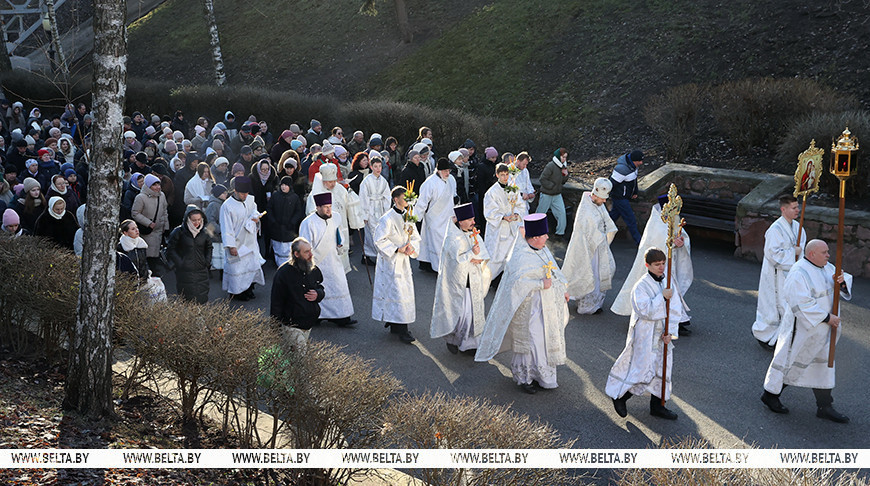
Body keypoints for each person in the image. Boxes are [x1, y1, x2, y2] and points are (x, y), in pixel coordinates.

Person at [475, 214, 569, 394]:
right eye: (544, 235)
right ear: (534, 237)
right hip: (527, 309)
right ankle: (524, 378)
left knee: (542, 340)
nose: (547, 237)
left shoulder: (543, 250)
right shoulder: (519, 255)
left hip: (546, 308)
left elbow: (555, 271)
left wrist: (563, 288)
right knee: (529, 342)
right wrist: (540, 284)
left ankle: (544, 377)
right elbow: (516, 284)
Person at [761, 239, 852, 424]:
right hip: (803, 329)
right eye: (824, 252)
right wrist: (827, 318)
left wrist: (841, 283)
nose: (828, 255)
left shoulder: (826, 267)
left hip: (824, 331)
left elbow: (840, 281)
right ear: (812, 254)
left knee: (823, 366)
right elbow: (800, 302)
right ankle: (770, 394)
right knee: (793, 362)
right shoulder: (798, 272)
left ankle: (825, 406)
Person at [605, 248, 686, 420]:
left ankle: (658, 406)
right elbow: (644, 311)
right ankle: (620, 397)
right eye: (657, 264)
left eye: (663, 263)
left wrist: (670, 333)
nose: (661, 267)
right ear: (647, 265)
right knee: (642, 370)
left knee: (663, 370)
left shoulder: (668, 281)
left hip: (662, 335)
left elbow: (675, 308)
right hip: (645, 334)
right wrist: (661, 298)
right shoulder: (640, 286)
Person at [611, 193, 694, 334]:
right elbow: (654, 243)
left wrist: (681, 241)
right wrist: (672, 243)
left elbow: (681, 233)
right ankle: (673, 322)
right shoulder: (656, 221)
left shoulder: (674, 218)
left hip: (670, 263)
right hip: (658, 266)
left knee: (670, 289)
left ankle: (676, 320)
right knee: (662, 290)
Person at [430, 203, 492, 354]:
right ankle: (452, 339)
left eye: (473, 218)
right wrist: (471, 254)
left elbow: (483, 252)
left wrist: (480, 258)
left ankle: (469, 344)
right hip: (459, 285)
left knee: (472, 315)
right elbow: (454, 261)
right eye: (469, 219)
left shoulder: (474, 233)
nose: (473, 222)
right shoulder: (452, 237)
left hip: (474, 281)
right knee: (461, 315)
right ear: (460, 221)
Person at [752, 195, 806, 350]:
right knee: (774, 306)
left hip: (792, 274)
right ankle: (768, 335)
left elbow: (802, 249)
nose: (797, 210)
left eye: (797, 207)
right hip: (776, 275)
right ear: (783, 209)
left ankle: (785, 336)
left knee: (790, 305)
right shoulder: (775, 230)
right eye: (794, 208)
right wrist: (792, 252)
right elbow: (772, 254)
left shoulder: (798, 227)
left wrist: (798, 259)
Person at [298, 192, 356, 327]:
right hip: (317, 263)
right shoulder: (308, 222)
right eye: (325, 207)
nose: (329, 210)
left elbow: (339, 232)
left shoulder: (335, 217)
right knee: (318, 290)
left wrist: (340, 243)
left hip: (333, 260)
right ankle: (318, 316)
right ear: (317, 207)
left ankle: (342, 316)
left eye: (330, 206)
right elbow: (305, 245)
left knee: (339, 286)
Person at [372, 186, 421, 343]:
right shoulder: (387, 218)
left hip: (404, 260)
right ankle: (402, 329)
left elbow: (415, 237)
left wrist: (410, 247)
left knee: (403, 292)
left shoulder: (409, 216)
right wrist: (397, 249)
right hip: (390, 262)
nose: (407, 200)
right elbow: (379, 239)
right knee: (396, 293)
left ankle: (394, 323)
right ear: (396, 199)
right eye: (404, 198)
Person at [561, 178, 618, 314]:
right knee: (590, 275)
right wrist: (601, 237)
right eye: (602, 199)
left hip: (599, 247)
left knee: (601, 273)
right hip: (588, 250)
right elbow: (587, 231)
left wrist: (607, 232)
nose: (604, 201)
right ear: (595, 194)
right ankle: (587, 306)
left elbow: (605, 220)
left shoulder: (598, 204)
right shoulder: (585, 209)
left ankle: (595, 303)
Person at [270, 237, 325, 349]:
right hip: (292, 325)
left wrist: (318, 294)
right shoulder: (283, 274)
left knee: (296, 359)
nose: (311, 255)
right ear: (296, 254)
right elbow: (276, 302)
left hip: (308, 324)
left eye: (310, 250)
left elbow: (320, 287)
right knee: (300, 358)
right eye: (306, 252)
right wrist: (274, 328)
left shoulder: (313, 269)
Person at [220, 176, 265, 301]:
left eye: (247, 193)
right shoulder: (227, 206)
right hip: (237, 243)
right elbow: (226, 228)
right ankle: (237, 293)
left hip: (250, 241)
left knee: (251, 266)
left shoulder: (250, 200)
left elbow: (254, 212)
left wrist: (256, 219)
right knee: (237, 269)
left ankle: (249, 289)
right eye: (242, 193)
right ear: (235, 191)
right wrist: (231, 246)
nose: (245, 196)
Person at [306, 164, 351, 272]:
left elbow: (348, 204)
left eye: (334, 181)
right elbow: (311, 214)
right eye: (329, 182)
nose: (332, 184)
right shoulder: (315, 194)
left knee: (341, 253)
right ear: (323, 181)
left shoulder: (340, 189)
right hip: (324, 232)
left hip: (340, 227)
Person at [415, 158, 457, 273]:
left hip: (447, 217)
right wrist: (415, 218)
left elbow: (453, 198)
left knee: (446, 244)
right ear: (438, 170)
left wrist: (455, 214)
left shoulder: (450, 180)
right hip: (434, 219)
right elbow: (422, 202)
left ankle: (441, 266)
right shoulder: (430, 183)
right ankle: (440, 268)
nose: (447, 173)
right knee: (436, 244)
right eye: (445, 171)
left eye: (448, 170)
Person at [166, 205, 213, 303]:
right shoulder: (178, 232)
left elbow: (209, 247)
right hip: (184, 271)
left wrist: (207, 261)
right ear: (188, 219)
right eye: (194, 220)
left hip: (201, 269)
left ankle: (201, 318)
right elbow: (171, 249)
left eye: (199, 219)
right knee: (187, 298)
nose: (197, 223)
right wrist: (180, 263)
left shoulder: (205, 232)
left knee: (202, 296)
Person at [483, 163, 521, 279]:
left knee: (508, 254)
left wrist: (517, 213)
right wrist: (503, 217)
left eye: (506, 174)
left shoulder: (513, 188)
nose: (505, 177)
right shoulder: (491, 192)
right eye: (502, 175)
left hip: (511, 228)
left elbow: (520, 204)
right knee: (495, 255)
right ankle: (488, 279)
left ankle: (503, 279)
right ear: (497, 175)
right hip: (498, 229)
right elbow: (489, 212)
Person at [131, 174, 170, 274]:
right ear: (148, 186)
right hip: (148, 230)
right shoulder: (141, 197)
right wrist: (148, 223)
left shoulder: (162, 196)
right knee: (149, 254)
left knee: (156, 252)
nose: (158, 187)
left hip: (158, 229)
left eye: (158, 184)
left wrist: (166, 226)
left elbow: (165, 211)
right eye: (154, 185)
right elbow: (135, 213)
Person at [358, 154, 391, 265]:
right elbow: (363, 198)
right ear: (371, 167)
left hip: (380, 208)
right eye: (375, 166)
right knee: (371, 233)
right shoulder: (366, 181)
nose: (378, 169)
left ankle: (376, 255)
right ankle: (369, 254)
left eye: (380, 166)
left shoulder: (383, 181)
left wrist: (386, 211)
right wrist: (365, 215)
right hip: (370, 209)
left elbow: (387, 196)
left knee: (381, 232)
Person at [608, 149, 644, 244]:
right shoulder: (622, 170)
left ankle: (599, 232)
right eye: (639, 161)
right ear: (634, 161)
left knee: (612, 218)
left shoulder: (633, 167)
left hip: (623, 197)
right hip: (620, 198)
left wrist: (634, 192)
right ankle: (639, 242)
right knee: (630, 219)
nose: (641, 163)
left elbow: (634, 179)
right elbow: (611, 184)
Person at [267, 176, 305, 266]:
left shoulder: (294, 197)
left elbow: (298, 211)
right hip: (276, 228)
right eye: (282, 185)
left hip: (289, 229)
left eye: (286, 185)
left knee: (288, 249)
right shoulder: (275, 195)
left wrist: (292, 222)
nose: (284, 187)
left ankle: (288, 265)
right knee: (277, 248)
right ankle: (277, 264)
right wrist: (273, 221)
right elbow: (269, 208)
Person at [537, 148, 570, 237]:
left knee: (562, 214)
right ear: (558, 157)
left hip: (557, 195)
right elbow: (542, 179)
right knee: (540, 214)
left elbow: (562, 182)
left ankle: (560, 234)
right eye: (563, 157)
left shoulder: (563, 167)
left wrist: (566, 175)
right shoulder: (550, 166)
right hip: (546, 194)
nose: (564, 159)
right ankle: (535, 232)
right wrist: (552, 186)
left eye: (565, 157)